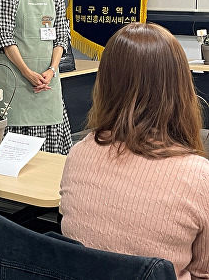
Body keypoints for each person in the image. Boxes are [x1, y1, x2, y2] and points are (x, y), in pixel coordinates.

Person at [59, 22, 209, 280]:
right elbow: (201, 273)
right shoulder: (199, 176)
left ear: (105, 84)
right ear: (181, 86)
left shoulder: (79, 154)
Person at [0, 0, 72, 155]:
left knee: (50, 147)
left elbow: (61, 37)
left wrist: (51, 69)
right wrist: (28, 73)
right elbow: (5, 38)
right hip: (17, 77)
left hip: (47, 80)